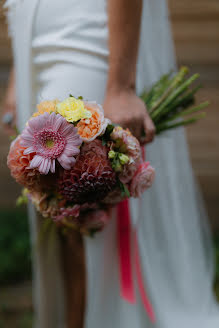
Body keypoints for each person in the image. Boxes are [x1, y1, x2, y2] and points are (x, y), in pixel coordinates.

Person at [2, 0, 219, 327]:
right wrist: (20, 71)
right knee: (54, 217)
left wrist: (121, 86)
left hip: (82, 30)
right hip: (33, 31)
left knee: (85, 218)